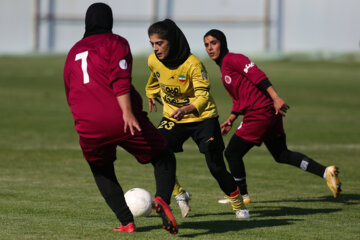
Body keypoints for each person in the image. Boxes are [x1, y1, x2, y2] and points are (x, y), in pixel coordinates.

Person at [63, 3, 178, 234]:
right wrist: (126, 112)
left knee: (101, 169)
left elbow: (70, 91)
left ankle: (127, 222)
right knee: (163, 156)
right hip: (121, 117)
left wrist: (83, 123)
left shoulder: (73, 52)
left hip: (87, 124)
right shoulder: (115, 42)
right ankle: (162, 199)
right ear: (109, 21)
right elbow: (120, 78)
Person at [203, 29, 341, 204]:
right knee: (281, 154)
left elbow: (258, 76)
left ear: (222, 43)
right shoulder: (224, 67)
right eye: (206, 45)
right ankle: (325, 172)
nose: (209, 48)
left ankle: (240, 195)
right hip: (268, 113)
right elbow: (241, 97)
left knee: (232, 153)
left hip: (260, 112)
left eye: (213, 43)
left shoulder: (234, 59)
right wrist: (232, 118)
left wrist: (276, 97)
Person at [145, 19, 249, 219]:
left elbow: (203, 96)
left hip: (203, 118)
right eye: (152, 44)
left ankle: (239, 204)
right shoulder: (153, 60)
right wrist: (150, 93)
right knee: (156, 151)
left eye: (160, 43)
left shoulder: (193, 64)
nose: (156, 49)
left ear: (172, 41)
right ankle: (179, 194)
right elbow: (154, 77)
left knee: (216, 166)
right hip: (173, 118)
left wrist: (187, 108)